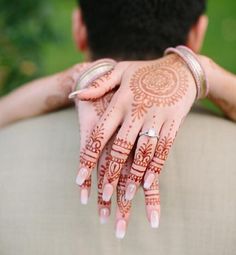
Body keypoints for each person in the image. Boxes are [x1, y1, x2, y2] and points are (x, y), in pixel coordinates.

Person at [0, 0, 236, 253]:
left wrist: (73, 80)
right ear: (198, 32)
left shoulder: (8, 149)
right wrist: (202, 71)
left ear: (78, 28)